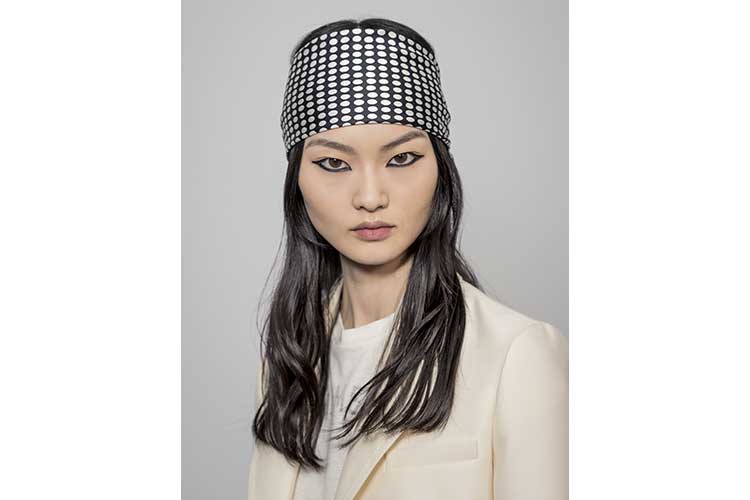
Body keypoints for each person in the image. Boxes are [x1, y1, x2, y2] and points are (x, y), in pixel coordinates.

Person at [248, 17, 568, 500]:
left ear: (440, 169)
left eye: (401, 158)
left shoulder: (516, 356)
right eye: (333, 163)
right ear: (297, 179)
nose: (370, 197)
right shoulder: (287, 361)